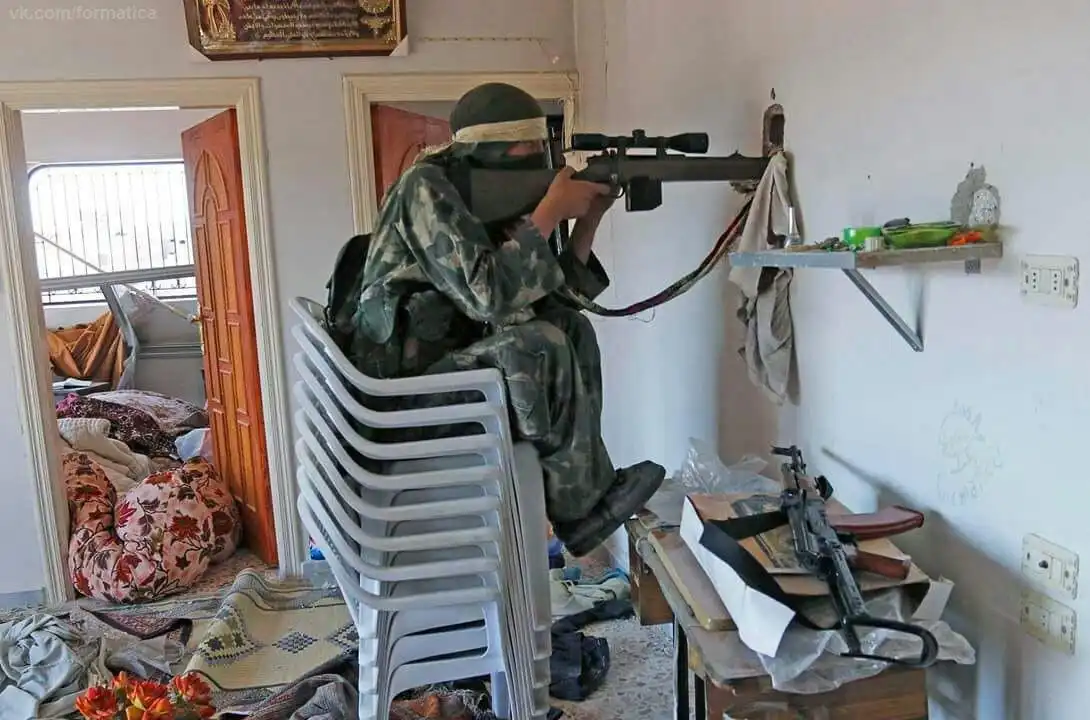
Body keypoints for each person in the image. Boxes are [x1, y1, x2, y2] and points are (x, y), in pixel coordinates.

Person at [328, 82, 666, 556]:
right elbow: (487, 297)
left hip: (439, 373)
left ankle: (582, 500)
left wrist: (588, 219)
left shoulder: (478, 196)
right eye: (526, 145)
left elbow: (554, 301)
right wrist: (549, 212)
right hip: (400, 401)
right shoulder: (425, 187)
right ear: (492, 145)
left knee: (570, 329)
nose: (536, 155)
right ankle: (580, 507)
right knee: (538, 345)